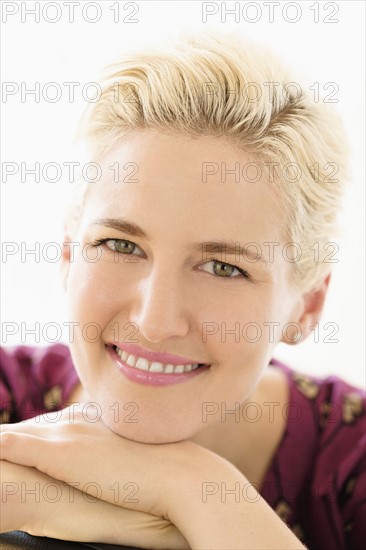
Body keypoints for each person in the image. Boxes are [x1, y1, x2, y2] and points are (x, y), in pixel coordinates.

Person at [0, 29, 364, 550]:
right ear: (68, 253)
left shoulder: (352, 463)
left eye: (222, 267)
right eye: (121, 246)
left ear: (305, 306)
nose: (155, 320)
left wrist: (200, 491)